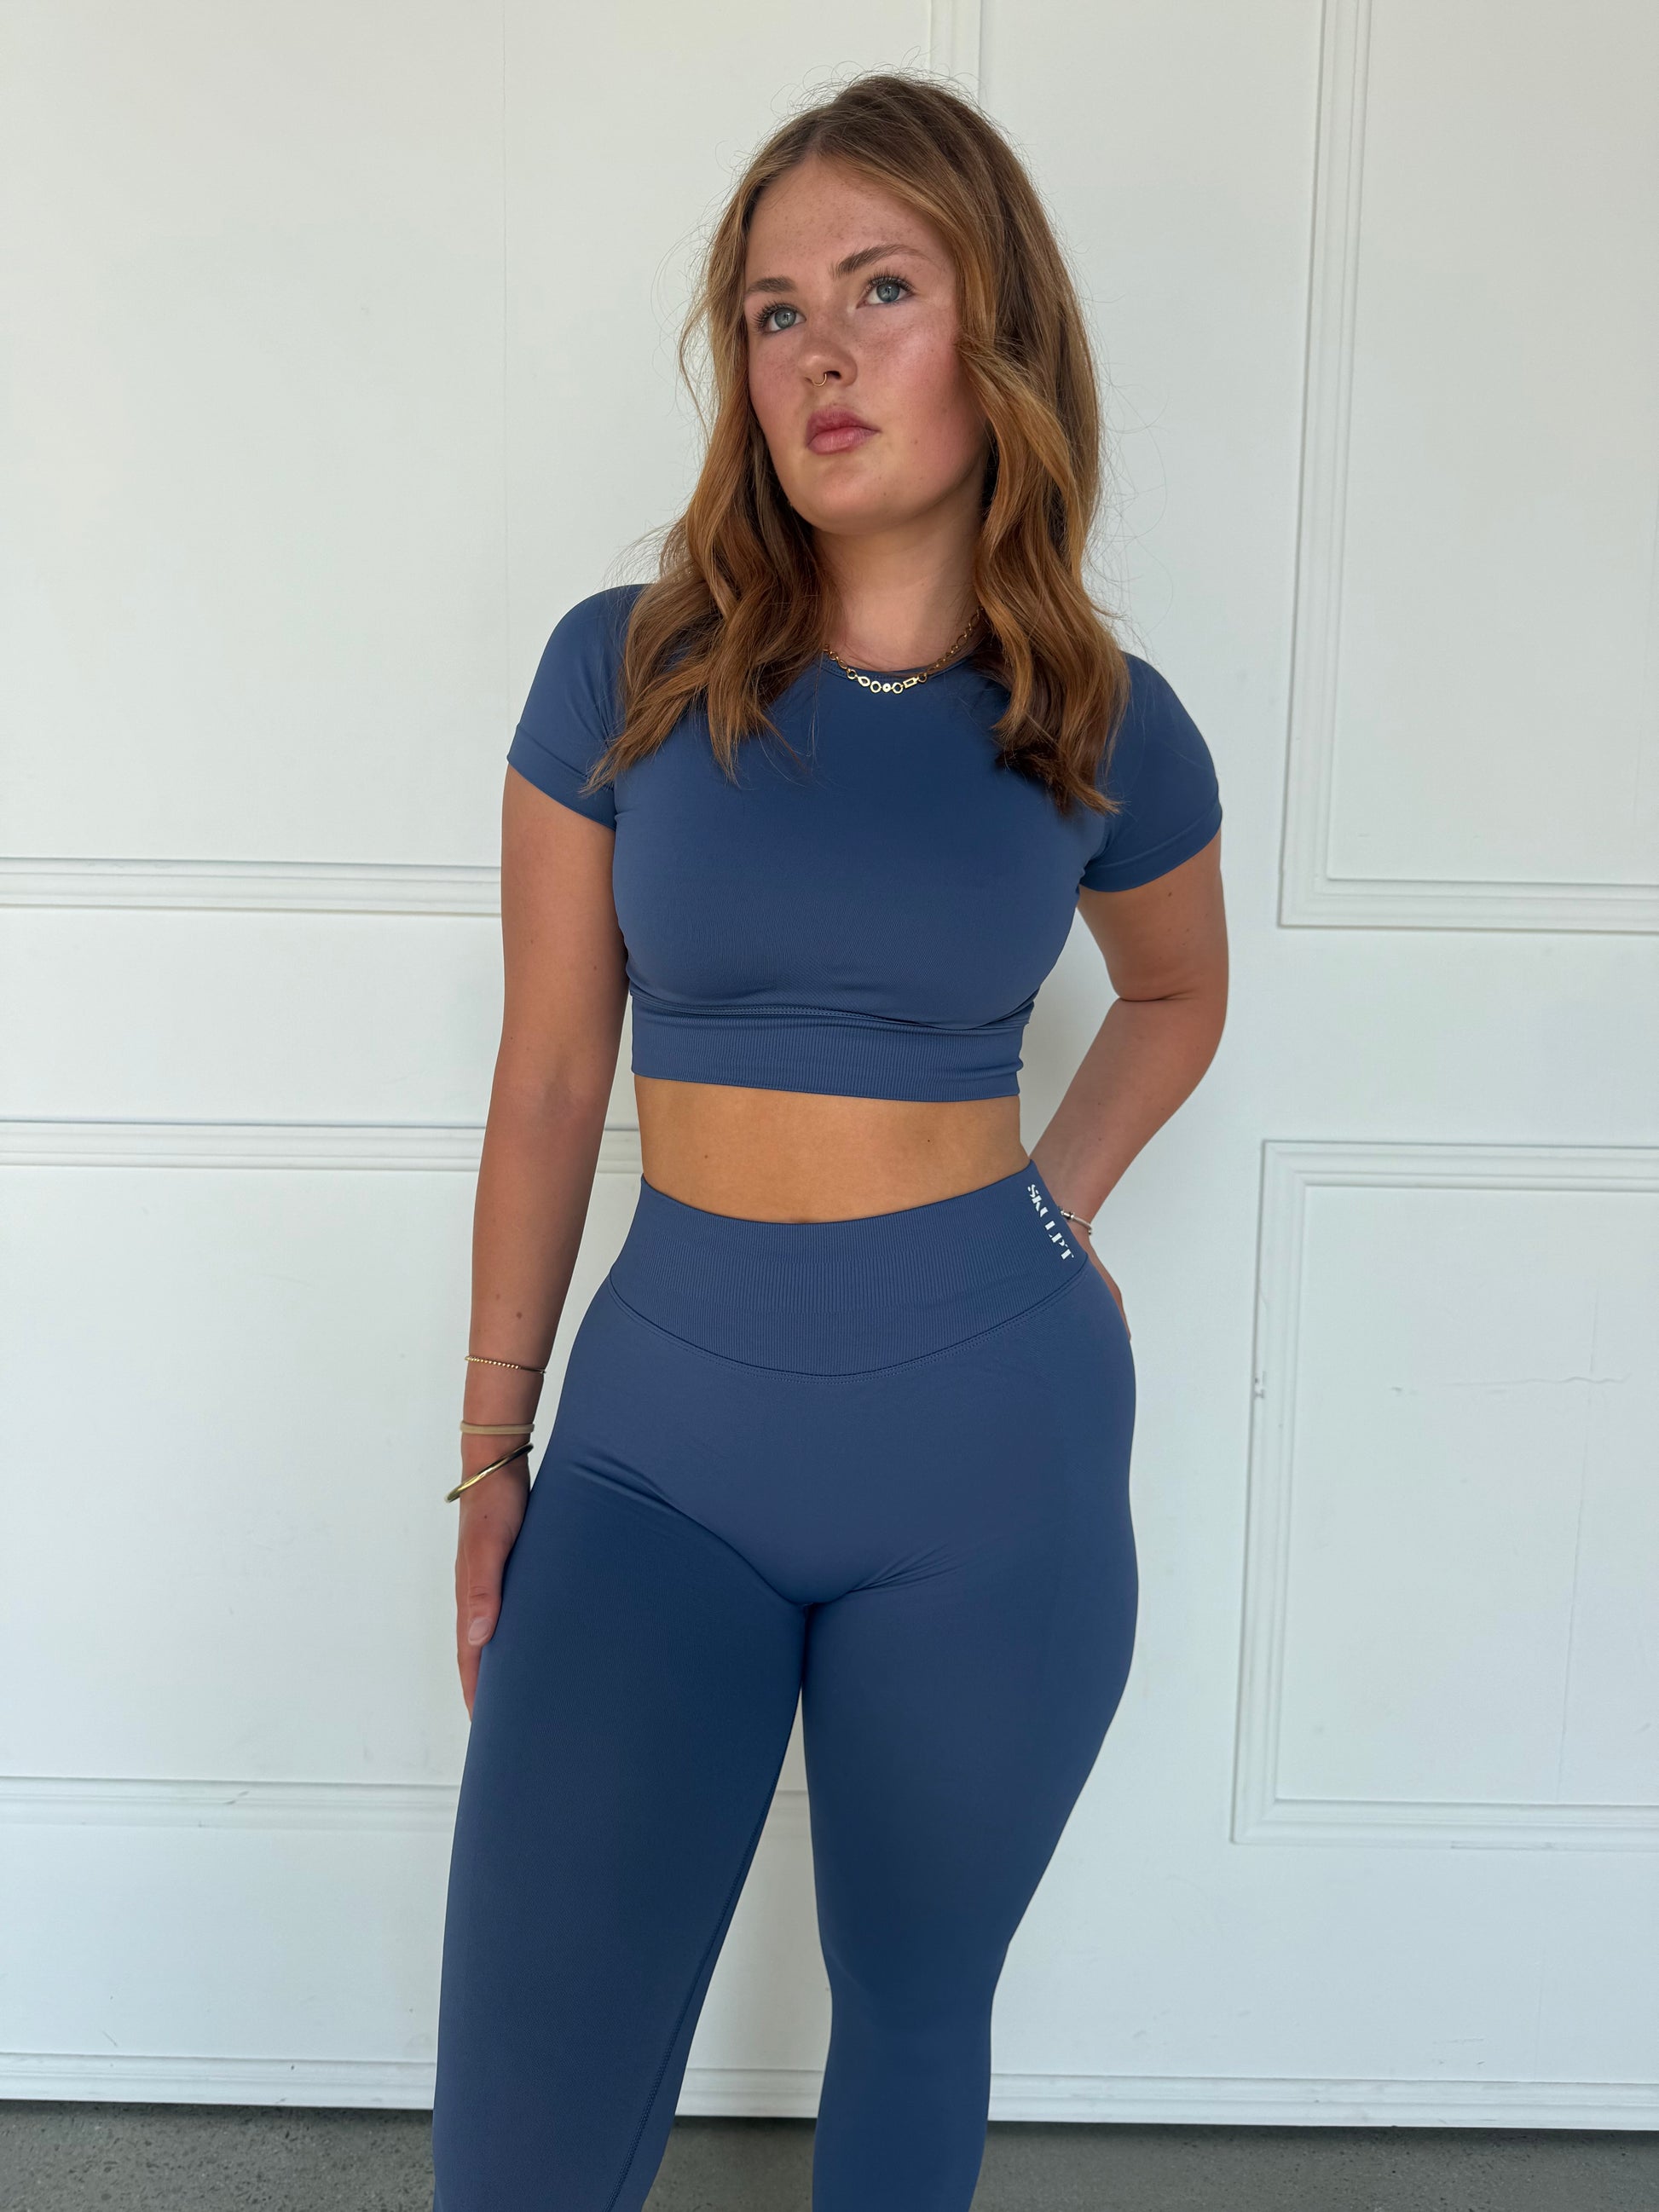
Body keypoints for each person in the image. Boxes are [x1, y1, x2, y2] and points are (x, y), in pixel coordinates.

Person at [430, 69, 1228, 2212]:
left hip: (991, 1455)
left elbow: (1177, 993)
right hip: (660, 1443)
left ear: (999, 336)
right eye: (774, 311)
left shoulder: (1100, 720)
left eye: (882, 290)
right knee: (524, 2108)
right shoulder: (623, 672)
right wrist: (491, 1447)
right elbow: (548, 1075)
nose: (820, 356)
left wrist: (1055, 1201)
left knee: (910, 2015)